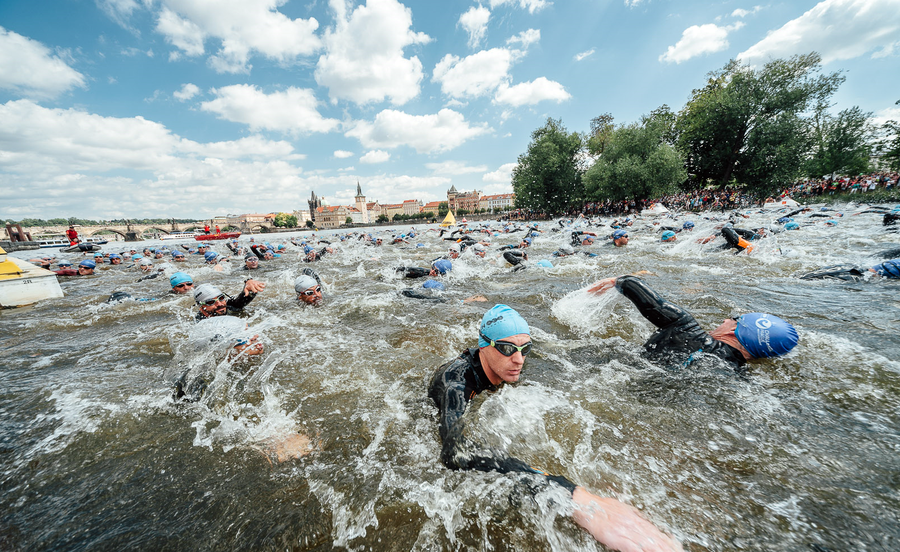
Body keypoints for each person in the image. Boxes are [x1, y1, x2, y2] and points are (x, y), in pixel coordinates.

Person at [428, 304, 682, 552]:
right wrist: (565, 490)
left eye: (525, 348)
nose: (519, 360)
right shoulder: (456, 385)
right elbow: (454, 453)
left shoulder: (507, 364)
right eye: (507, 349)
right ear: (484, 345)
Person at [588, 275, 798, 371]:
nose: (725, 319)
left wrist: (615, 281)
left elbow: (634, 286)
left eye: (734, 319)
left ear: (734, 331)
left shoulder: (685, 328)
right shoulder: (737, 374)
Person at [193, 279, 265, 320]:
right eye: (210, 302)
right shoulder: (200, 322)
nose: (219, 304)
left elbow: (243, 298)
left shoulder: (230, 306)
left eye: (221, 298)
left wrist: (249, 282)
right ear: (201, 306)